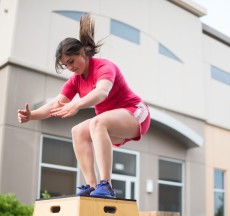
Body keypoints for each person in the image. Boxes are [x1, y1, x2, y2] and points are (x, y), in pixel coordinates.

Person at [17, 14, 150, 198]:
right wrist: (32, 115)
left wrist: (77, 105)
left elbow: (102, 92)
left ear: (82, 53)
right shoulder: (75, 81)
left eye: (71, 61)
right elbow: (56, 104)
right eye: (65, 65)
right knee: (77, 131)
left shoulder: (104, 67)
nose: (70, 67)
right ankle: (92, 185)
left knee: (97, 123)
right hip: (111, 122)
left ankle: (106, 185)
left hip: (135, 113)